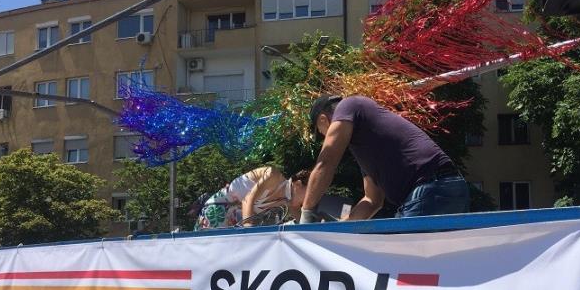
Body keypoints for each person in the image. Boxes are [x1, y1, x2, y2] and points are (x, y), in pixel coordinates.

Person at [299, 95, 469, 223]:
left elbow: (326, 163)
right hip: (448, 188)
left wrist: (307, 214)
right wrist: (342, 226)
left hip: (429, 188)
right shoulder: (366, 142)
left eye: (321, 133)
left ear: (323, 119)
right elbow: (372, 200)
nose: (325, 138)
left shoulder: (348, 105)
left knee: (397, 255)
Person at [194, 167, 310, 230]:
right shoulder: (273, 175)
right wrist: (250, 231)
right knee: (204, 250)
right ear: (298, 183)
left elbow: (305, 225)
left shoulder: (287, 201)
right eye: (310, 192)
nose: (307, 200)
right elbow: (247, 200)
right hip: (218, 209)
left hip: (234, 221)